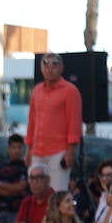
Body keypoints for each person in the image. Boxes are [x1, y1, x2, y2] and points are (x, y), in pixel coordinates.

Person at [25, 52, 82, 190]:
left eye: (54, 64)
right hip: (37, 151)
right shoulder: (37, 91)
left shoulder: (70, 90)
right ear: (41, 68)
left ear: (61, 68)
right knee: (37, 193)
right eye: (45, 64)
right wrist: (29, 150)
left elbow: (74, 122)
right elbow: (32, 121)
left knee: (57, 192)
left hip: (59, 152)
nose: (50, 68)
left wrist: (70, 152)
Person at [0, 133, 29, 223]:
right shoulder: (0, 166)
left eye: (19, 147)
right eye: (13, 147)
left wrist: (0, 184)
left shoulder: (26, 168)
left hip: (16, 211)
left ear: (23, 149)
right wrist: (11, 190)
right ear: (8, 148)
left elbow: (20, 188)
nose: (16, 151)